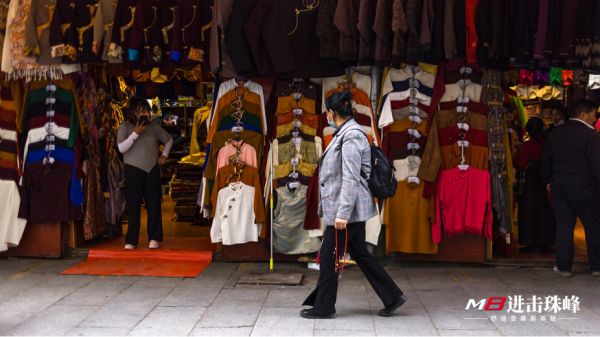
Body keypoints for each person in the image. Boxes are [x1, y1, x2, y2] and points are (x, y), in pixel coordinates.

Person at [301, 92, 406, 319]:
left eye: (327, 112)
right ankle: (393, 296)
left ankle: (324, 307)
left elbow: (350, 178)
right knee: (359, 252)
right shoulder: (347, 133)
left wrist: (342, 214)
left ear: (332, 113)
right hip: (351, 209)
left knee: (329, 256)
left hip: (349, 210)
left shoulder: (351, 136)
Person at [542, 99, 600, 277]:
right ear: (583, 114)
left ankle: (564, 267)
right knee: (594, 227)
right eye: (593, 114)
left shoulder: (556, 134)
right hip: (585, 187)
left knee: (564, 227)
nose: (595, 118)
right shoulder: (591, 136)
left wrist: (548, 181)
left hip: (560, 186)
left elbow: (545, 161)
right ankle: (597, 267)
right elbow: (597, 165)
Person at [117, 97, 173, 250]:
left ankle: (154, 237)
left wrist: (164, 156)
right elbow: (121, 148)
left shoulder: (154, 127)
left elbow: (169, 140)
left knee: (154, 204)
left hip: (151, 169)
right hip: (133, 169)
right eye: (141, 111)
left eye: (147, 110)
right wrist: (135, 133)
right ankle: (131, 239)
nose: (145, 114)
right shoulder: (125, 126)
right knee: (133, 205)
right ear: (133, 112)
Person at [515, 117, 555, 253]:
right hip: (545, 180)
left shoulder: (528, 145)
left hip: (531, 182)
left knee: (529, 212)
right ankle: (544, 240)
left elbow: (521, 164)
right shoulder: (547, 143)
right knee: (544, 211)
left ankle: (531, 242)